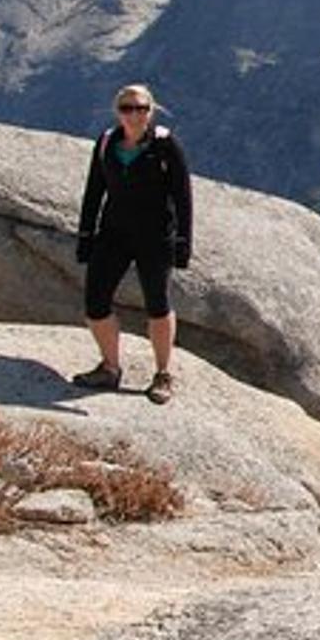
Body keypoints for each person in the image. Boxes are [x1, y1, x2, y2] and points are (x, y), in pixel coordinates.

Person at [70, 84, 194, 404]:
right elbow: (94, 192)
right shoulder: (107, 143)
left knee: (157, 302)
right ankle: (110, 368)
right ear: (118, 111)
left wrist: (183, 241)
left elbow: (183, 197)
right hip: (113, 234)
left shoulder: (167, 146)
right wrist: (86, 235)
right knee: (95, 303)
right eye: (127, 108)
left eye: (140, 108)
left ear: (150, 110)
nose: (134, 114)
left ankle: (163, 374)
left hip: (155, 237)